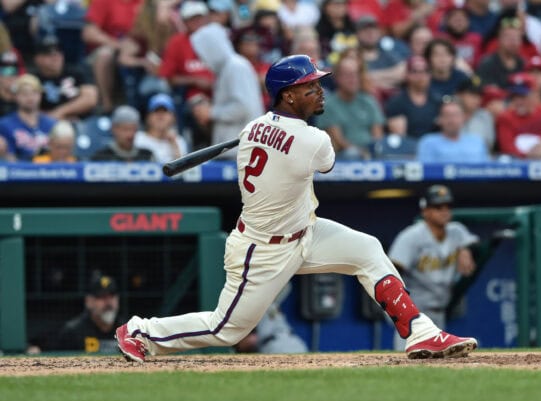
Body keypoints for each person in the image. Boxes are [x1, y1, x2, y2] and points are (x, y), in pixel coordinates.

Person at [115, 54, 478, 363]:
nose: (320, 92)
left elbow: (274, 139)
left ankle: (420, 332)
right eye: (310, 87)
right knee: (226, 329)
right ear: (288, 96)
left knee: (368, 249)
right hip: (263, 248)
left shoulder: (253, 128)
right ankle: (141, 331)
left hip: (306, 230)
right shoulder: (314, 140)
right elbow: (324, 162)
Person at [388, 185, 479, 350]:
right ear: (425, 211)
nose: (444, 211)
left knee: (437, 361)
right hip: (415, 313)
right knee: (408, 359)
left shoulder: (456, 231)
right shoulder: (411, 236)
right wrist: (399, 308)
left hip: (440, 310)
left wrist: (466, 249)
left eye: (448, 206)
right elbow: (392, 272)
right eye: (438, 207)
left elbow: (473, 243)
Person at [190, 22, 264, 159]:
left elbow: (243, 107)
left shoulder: (235, 67)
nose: (202, 58)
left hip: (240, 153)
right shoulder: (226, 69)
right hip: (232, 152)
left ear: (212, 48)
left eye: (202, 52)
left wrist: (211, 112)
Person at [158, 1, 215, 150]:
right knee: (202, 110)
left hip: (219, 93)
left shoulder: (216, 40)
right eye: (192, 19)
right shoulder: (177, 42)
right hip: (192, 96)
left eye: (200, 18)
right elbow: (168, 77)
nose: (197, 22)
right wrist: (195, 80)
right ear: (184, 21)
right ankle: (208, 148)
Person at [315, 56, 385, 160]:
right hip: (342, 155)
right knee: (351, 153)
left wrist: (372, 151)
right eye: (347, 75)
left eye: (355, 74)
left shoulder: (369, 101)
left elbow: (378, 135)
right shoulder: (328, 105)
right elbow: (338, 141)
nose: (353, 79)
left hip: (370, 152)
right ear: (337, 78)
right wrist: (363, 154)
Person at [496, 73, 541, 159]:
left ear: (535, 94)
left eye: (523, 96)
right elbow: (507, 148)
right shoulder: (505, 118)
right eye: (514, 97)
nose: (518, 102)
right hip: (520, 166)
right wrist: (529, 155)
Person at [48, 274, 123, 353]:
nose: (108, 302)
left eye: (112, 296)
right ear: (88, 301)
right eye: (102, 297)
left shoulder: (128, 331)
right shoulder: (73, 332)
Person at [31, 35, 99, 120]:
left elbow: (90, 99)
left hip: (82, 122)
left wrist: (60, 112)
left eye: (58, 52)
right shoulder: (33, 79)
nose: (55, 57)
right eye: (48, 54)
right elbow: (25, 106)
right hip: (47, 125)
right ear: (37, 59)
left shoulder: (77, 72)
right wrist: (54, 118)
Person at [384, 56, 442, 143]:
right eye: (415, 71)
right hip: (409, 151)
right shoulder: (397, 103)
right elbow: (400, 138)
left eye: (425, 71)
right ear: (406, 75)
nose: (421, 76)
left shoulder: (437, 100)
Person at [0, 74, 57, 161]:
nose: (30, 98)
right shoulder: (5, 124)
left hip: (48, 171)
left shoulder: (52, 124)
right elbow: (9, 158)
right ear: (16, 96)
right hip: (18, 171)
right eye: (24, 94)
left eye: (34, 93)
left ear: (40, 95)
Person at [417, 98, 489, 163]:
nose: (452, 120)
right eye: (447, 115)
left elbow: (487, 171)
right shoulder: (428, 142)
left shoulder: (477, 142)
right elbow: (426, 173)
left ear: (464, 118)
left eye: (456, 115)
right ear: (439, 119)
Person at [134, 93, 188, 163]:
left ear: (173, 118)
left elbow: (183, 171)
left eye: (165, 111)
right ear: (148, 117)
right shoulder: (137, 138)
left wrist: (174, 144)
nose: (160, 115)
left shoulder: (179, 141)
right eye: (156, 111)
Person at [90, 105, 154, 162]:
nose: (130, 134)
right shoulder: (101, 157)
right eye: (125, 129)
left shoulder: (147, 156)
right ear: (114, 129)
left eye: (133, 129)